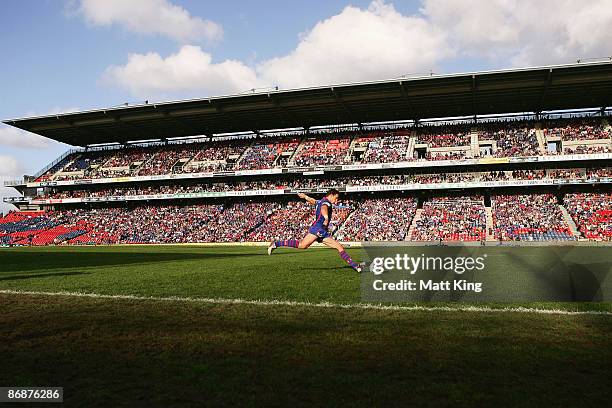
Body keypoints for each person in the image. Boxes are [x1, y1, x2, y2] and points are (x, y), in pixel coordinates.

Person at [268, 189, 363, 273]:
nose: (337, 200)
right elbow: (323, 208)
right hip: (319, 228)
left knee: (306, 245)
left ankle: (355, 266)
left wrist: (305, 196)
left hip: (319, 228)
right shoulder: (327, 203)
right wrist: (326, 218)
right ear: (331, 195)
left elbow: (313, 201)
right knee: (305, 245)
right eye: (336, 198)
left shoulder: (321, 201)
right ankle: (355, 266)